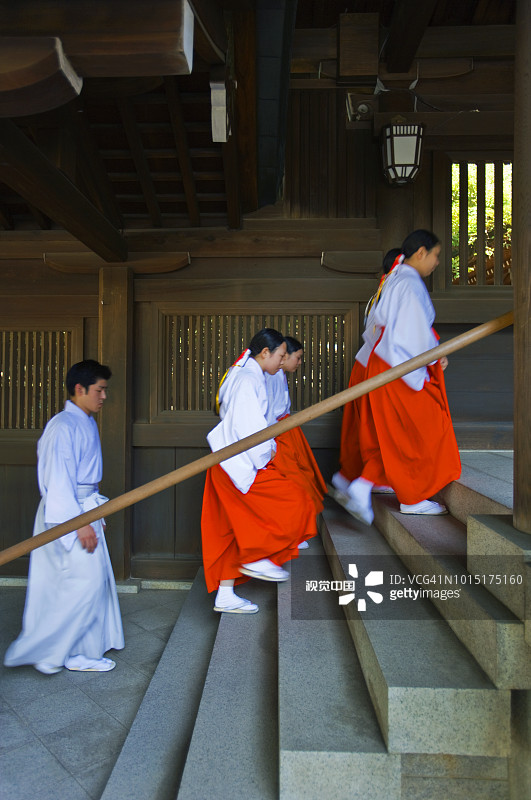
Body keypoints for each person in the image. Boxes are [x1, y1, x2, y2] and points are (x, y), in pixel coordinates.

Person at [4, 360, 124, 674]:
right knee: (82, 582)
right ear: (79, 389)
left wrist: (96, 514)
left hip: (83, 507)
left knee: (85, 582)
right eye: (99, 390)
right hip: (68, 514)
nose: (104, 397)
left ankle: (75, 648)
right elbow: (58, 481)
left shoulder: (83, 421)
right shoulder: (62, 426)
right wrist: (80, 524)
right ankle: (64, 653)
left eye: (105, 390)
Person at [338, 230, 461, 525]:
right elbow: (413, 332)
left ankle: (363, 484)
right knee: (421, 427)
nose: (436, 262)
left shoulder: (393, 279)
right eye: (435, 255)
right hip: (399, 366)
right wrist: (434, 356)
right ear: (421, 252)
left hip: (384, 363)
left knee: (391, 431)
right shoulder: (408, 282)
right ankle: (413, 496)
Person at [201, 328, 316, 614]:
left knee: (230, 528)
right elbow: (249, 429)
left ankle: (225, 594)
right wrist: (268, 456)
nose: (283, 361)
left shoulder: (245, 373)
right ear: (265, 353)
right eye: (281, 355)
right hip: (237, 463)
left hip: (229, 462)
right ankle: (258, 555)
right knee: (295, 499)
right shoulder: (247, 378)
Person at [333, 248, 401, 494]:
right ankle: (373, 478)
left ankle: (357, 476)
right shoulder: (399, 287)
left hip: (366, 362)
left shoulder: (381, 291)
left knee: (362, 425)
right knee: (380, 426)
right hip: (383, 363)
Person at [265, 335, 327, 546]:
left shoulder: (278, 374)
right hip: (276, 433)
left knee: (302, 477)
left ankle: (298, 530)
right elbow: (268, 413)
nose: (299, 363)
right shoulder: (271, 376)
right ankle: (293, 532)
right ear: (284, 356)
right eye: (297, 357)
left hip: (287, 430)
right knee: (292, 481)